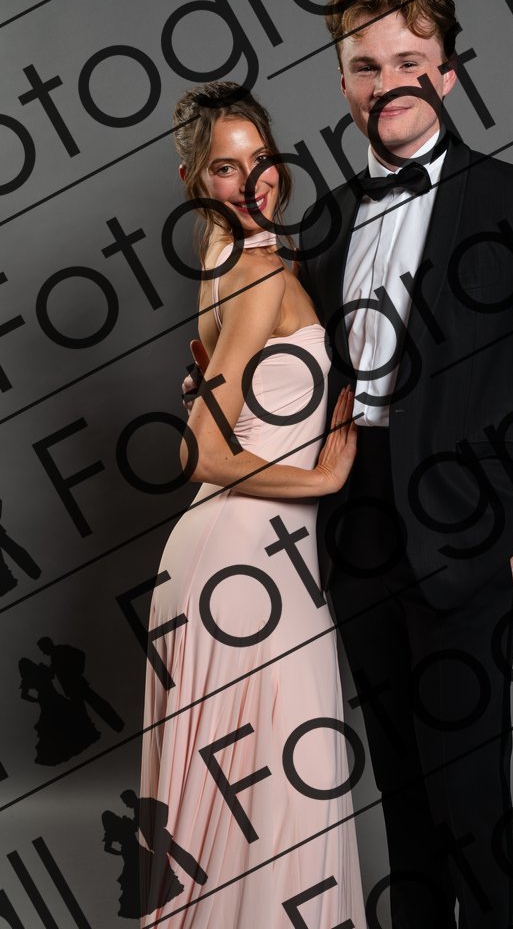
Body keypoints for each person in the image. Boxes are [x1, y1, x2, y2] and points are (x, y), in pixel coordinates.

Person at [296, 0, 513, 929]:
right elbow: (300, 377)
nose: (386, 81)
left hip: (470, 530)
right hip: (355, 518)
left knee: (469, 794)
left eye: (408, 61)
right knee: (401, 790)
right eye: (365, 65)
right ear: (343, 83)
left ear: (447, 74)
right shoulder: (325, 219)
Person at [140, 81, 364, 928]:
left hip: (250, 557)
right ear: (197, 181)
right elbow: (199, 450)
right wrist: (321, 481)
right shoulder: (257, 270)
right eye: (226, 168)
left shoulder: (232, 262)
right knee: (279, 805)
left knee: (251, 810)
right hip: (246, 564)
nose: (251, 181)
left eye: (260, 160)